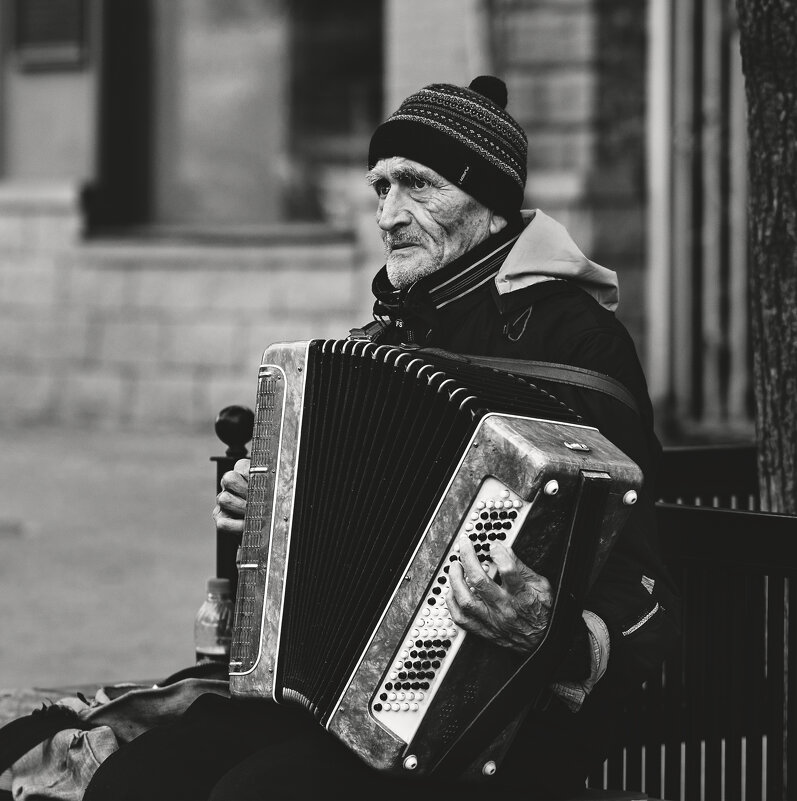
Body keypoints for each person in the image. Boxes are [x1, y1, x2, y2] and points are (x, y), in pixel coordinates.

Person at [84, 76, 680, 801]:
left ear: (490, 207)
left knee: (261, 793)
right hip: (350, 702)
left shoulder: (575, 342)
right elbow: (343, 534)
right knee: (137, 779)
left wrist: (544, 630)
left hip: (504, 716)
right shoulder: (390, 333)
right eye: (380, 188)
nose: (389, 214)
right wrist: (269, 515)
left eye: (417, 186)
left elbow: (640, 575)